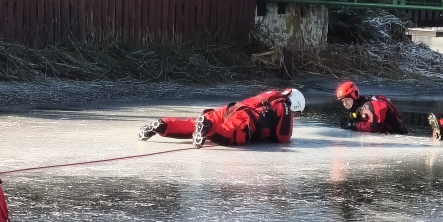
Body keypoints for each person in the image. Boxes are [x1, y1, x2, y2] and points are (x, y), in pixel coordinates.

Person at [137, 88, 305, 148]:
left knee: (193, 125)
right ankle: (208, 127)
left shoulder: (271, 95)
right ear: (295, 104)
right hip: (245, 119)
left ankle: (163, 124)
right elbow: (282, 137)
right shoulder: (284, 107)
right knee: (227, 134)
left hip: (231, 109)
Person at [334, 81, 408, 134]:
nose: (345, 104)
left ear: (355, 96)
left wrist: (354, 125)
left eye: (347, 100)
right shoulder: (357, 107)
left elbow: (375, 128)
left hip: (394, 134)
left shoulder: (368, 106)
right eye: (343, 101)